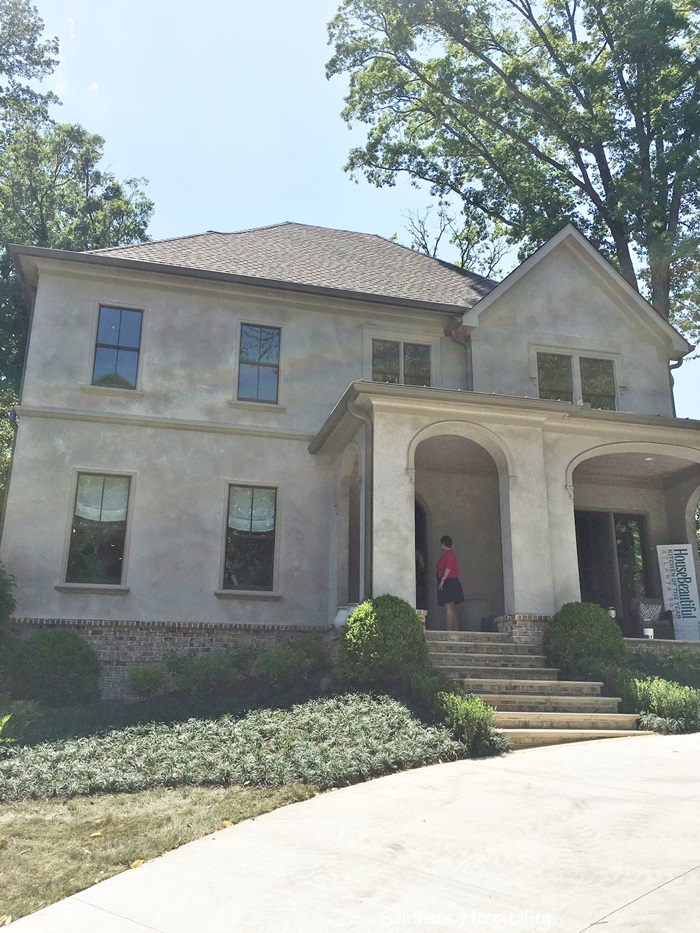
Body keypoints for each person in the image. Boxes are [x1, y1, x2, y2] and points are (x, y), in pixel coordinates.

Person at [436, 535, 464, 631]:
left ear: (444, 544)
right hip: (449, 581)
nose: (440, 546)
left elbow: (448, 567)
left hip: (449, 582)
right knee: (450, 608)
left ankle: (449, 631)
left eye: (441, 544)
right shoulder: (446, 555)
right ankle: (455, 630)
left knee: (448, 607)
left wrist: (442, 580)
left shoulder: (449, 554)